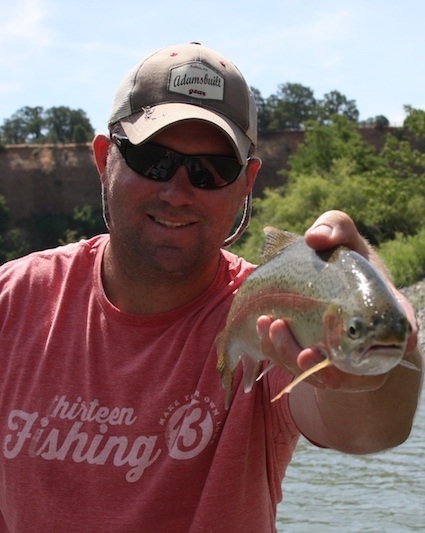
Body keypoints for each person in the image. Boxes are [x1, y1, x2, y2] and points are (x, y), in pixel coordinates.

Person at [0, 42, 422, 533]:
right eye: (153, 159)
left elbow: (369, 429)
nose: (178, 192)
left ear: (247, 183)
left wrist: (386, 341)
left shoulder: (271, 312)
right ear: (103, 158)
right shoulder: (11, 303)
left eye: (212, 170)